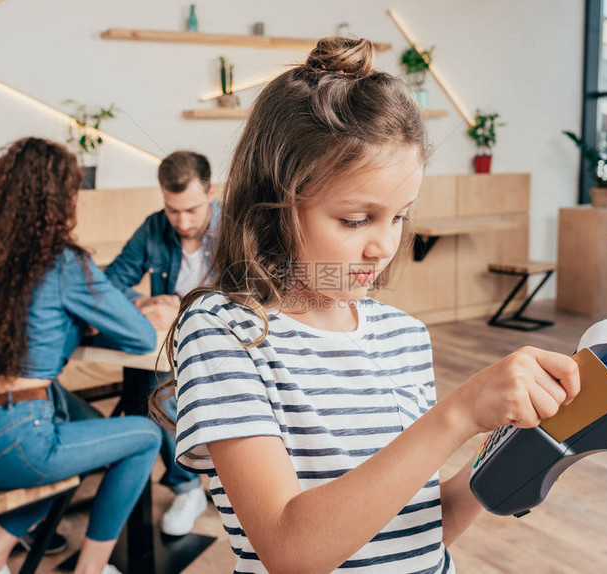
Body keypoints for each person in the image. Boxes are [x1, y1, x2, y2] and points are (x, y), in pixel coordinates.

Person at [155, 38, 581, 573]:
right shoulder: (225, 331)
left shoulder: (403, 335)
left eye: (400, 216)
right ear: (278, 203)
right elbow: (293, 549)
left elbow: (417, 531)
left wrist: (516, 457)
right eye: (357, 219)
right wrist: (457, 414)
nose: (384, 246)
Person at [0, 137, 165, 574]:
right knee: (145, 437)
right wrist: (117, 312)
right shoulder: (64, 264)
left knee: (92, 434)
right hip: (12, 442)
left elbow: (30, 332)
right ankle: (91, 570)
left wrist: (80, 317)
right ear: (61, 201)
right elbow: (138, 337)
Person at [104, 150, 219, 536]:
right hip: (167, 352)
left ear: (211, 192)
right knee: (152, 386)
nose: (182, 222)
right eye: (173, 210)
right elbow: (109, 285)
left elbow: (255, 296)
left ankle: (221, 481)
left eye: (192, 209)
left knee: (156, 387)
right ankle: (188, 488)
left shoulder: (239, 229)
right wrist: (145, 302)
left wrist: (185, 311)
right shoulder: (153, 228)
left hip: (226, 347)